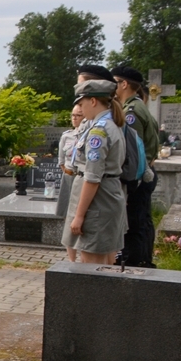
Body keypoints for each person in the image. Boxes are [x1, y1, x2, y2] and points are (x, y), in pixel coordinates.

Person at [61, 79, 127, 264]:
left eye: (82, 104)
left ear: (93, 101)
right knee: (105, 264)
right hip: (106, 195)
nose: (81, 110)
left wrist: (79, 216)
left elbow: (92, 177)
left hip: (98, 201)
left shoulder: (99, 131)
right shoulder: (109, 124)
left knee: (91, 266)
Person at [112, 65, 160, 267]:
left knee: (135, 222)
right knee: (142, 219)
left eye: (114, 82)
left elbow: (133, 151)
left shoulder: (131, 111)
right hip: (144, 172)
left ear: (124, 84)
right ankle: (143, 259)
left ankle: (136, 262)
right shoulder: (138, 106)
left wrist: (129, 180)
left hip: (138, 176)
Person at [59, 103, 85, 262]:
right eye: (73, 115)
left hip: (82, 178)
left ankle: (84, 255)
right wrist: (67, 172)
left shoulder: (88, 135)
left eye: (78, 115)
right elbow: (61, 161)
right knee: (68, 217)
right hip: (69, 178)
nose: (74, 118)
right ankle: (71, 259)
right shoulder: (66, 136)